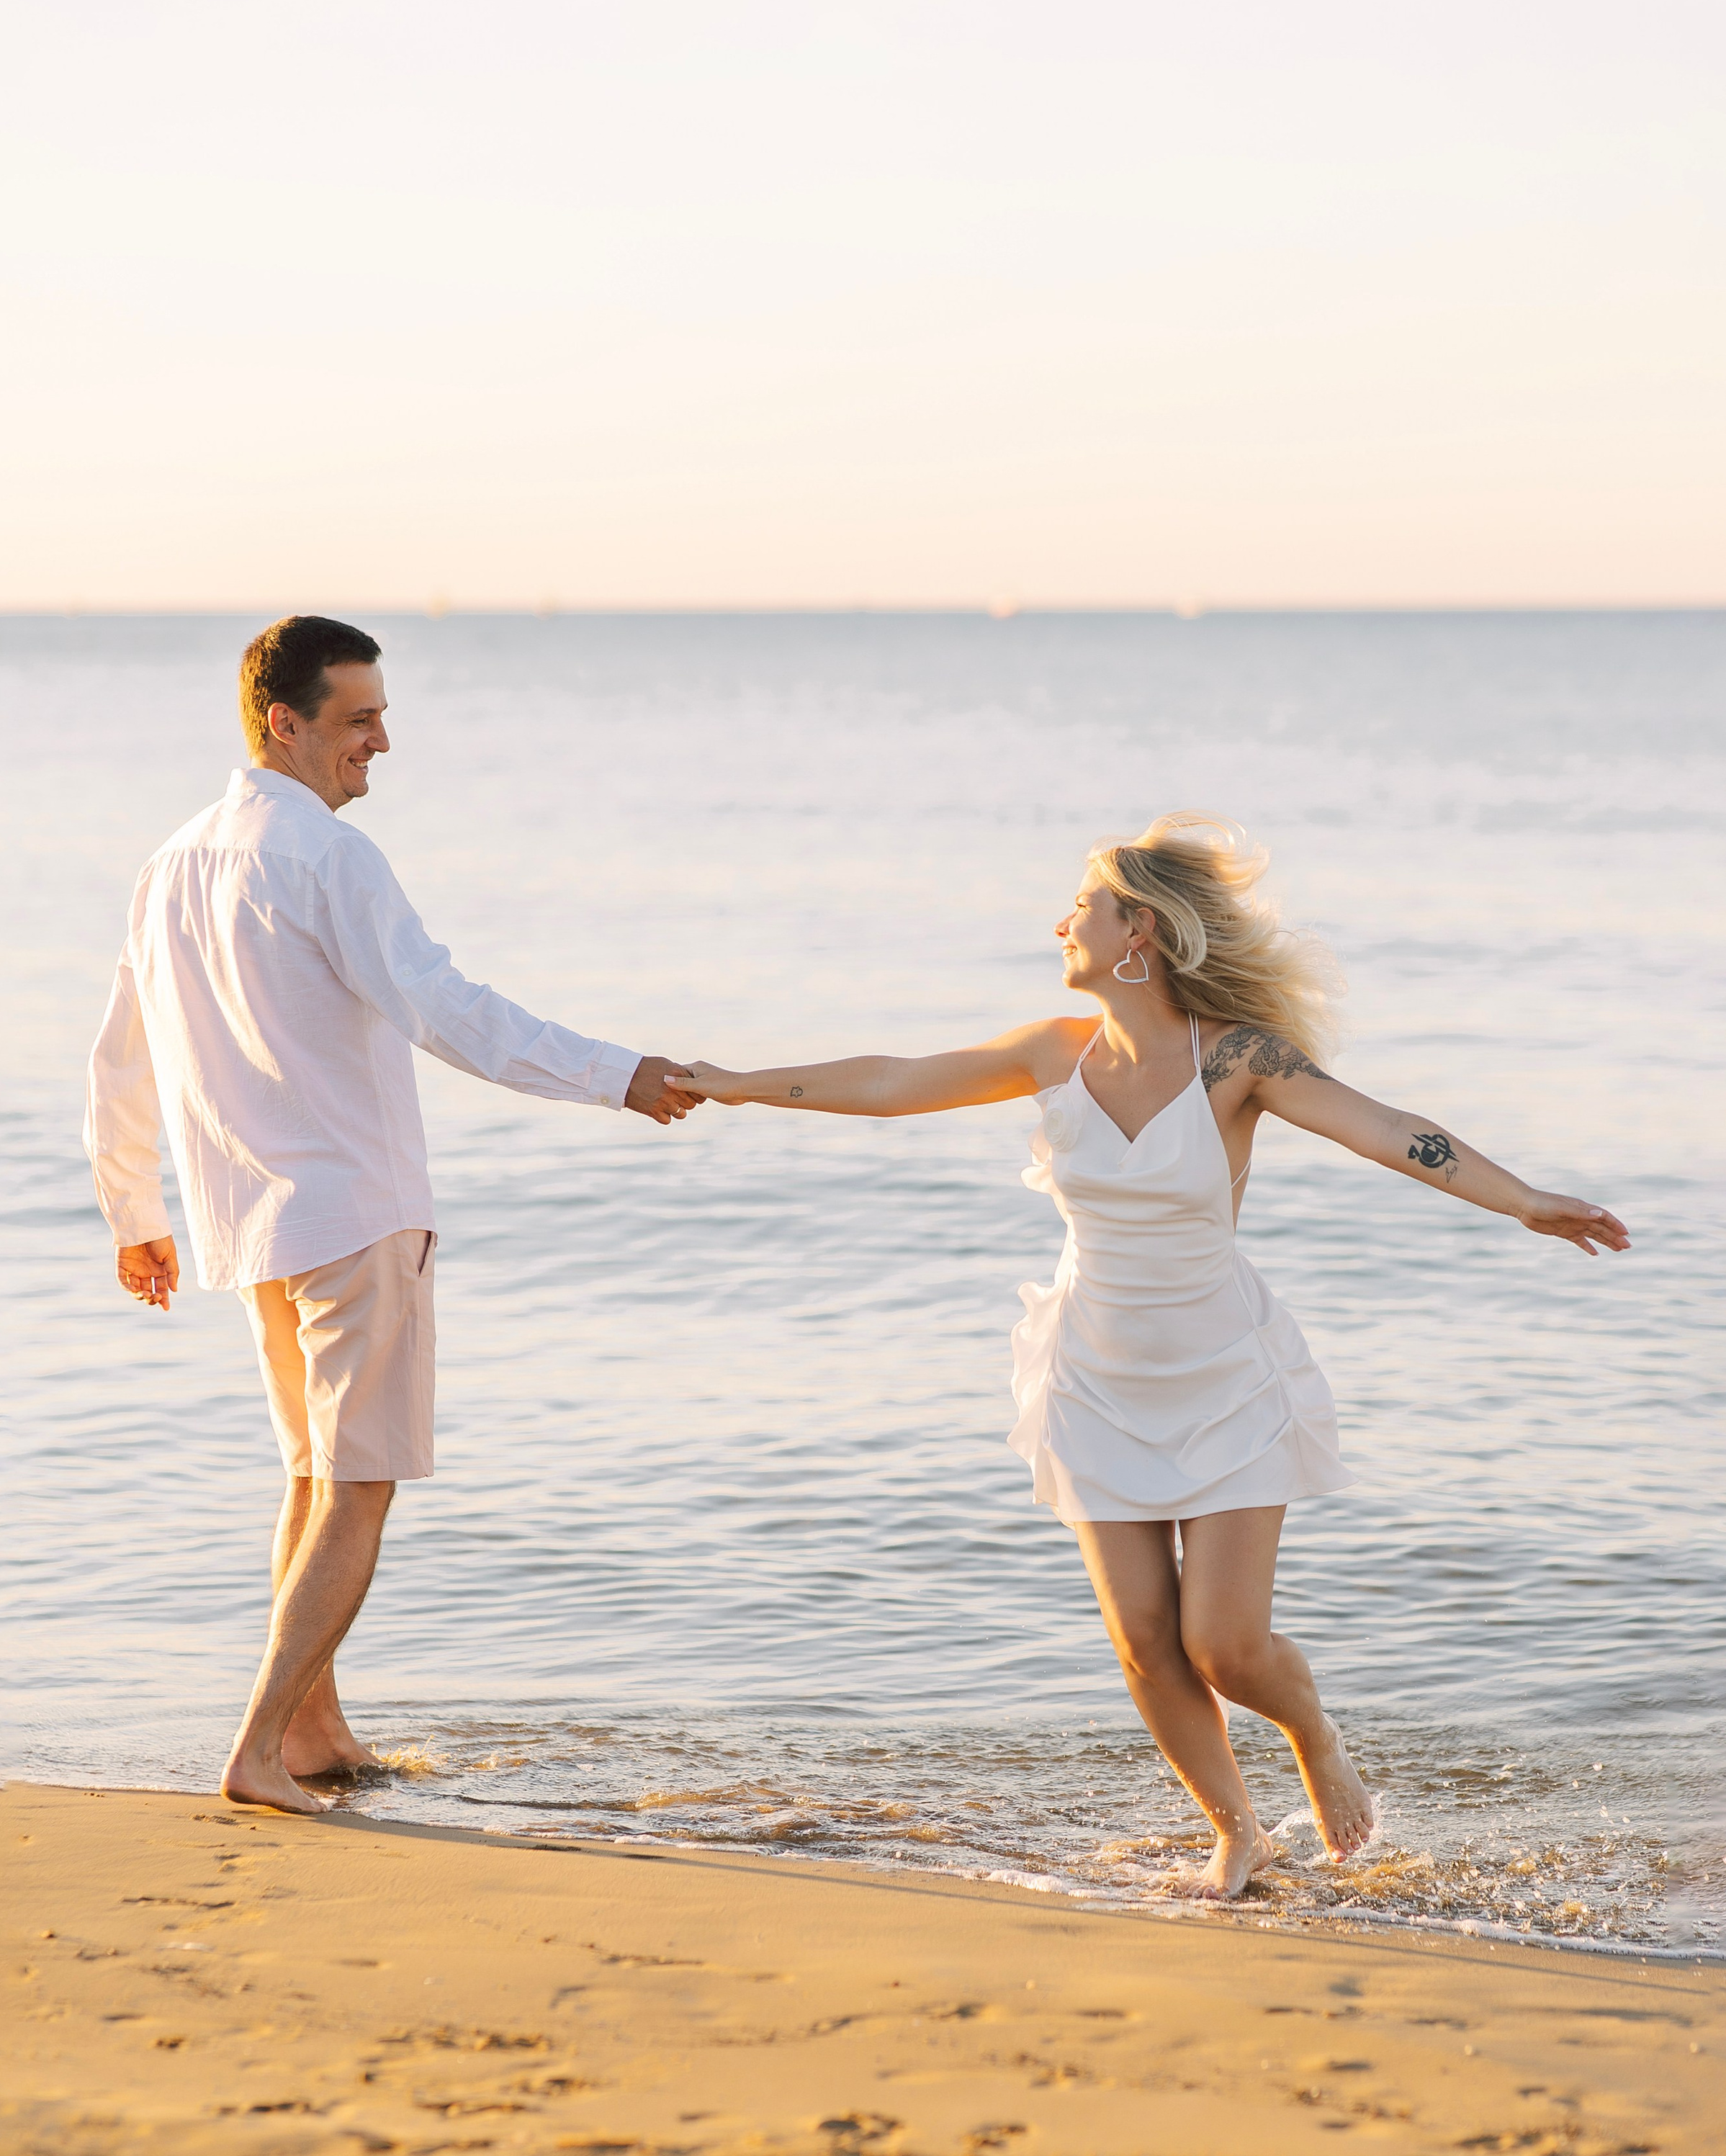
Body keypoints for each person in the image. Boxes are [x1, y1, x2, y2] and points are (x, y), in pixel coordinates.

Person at [666, 814, 1628, 1899]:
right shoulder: (1054, 1053)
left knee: (1224, 1644)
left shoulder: (1239, 1059)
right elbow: (894, 1082)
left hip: (1226, 1379)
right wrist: (740, 1084)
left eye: (1084, 904)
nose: (1061, 921)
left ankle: (1312, 1732)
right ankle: (1238, 1832)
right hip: (1094, 1378)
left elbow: (1389, 1130)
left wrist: (1526, 1203)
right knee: (1143, 1644)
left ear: (1141, 935)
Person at [85, 614, 699, 1817]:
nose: (381, 743)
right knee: (355, 1489)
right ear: (288, 724)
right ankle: (261, 1747)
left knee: (316, 1482)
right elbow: (443, 1008)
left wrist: (133, 1211)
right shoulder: (325, 858)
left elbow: (120, 1053)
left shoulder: (173, 862)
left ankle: (312, 1735)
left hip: (250, 1222)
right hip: (353, 1212)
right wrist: (616, 1072)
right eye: (360, 720)